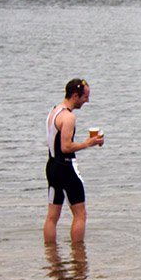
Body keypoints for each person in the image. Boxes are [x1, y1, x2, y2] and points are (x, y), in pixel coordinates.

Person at [43, 78, 105, 244]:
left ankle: (51, 255)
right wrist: (89, 143)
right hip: (66, 167)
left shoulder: (54, 111)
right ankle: (78, 256)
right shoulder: (68, 117)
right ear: (75, 95)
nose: (87, 101)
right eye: (85, 97)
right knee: (80, 214)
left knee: (52, 216)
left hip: (52, 165)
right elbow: (66, 147)